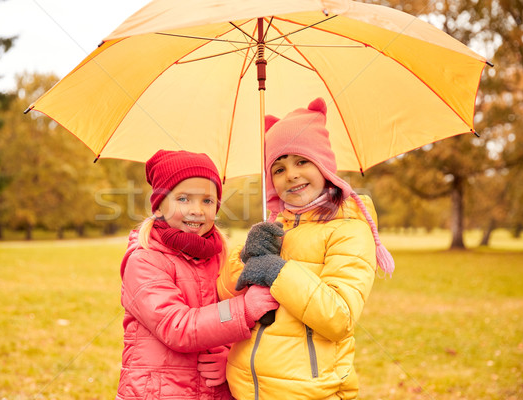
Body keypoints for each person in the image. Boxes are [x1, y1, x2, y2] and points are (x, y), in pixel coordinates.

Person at [217, 98, 395, 400]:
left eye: (302, 161)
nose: (291, 175)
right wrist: (247, 254)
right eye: (279, 168)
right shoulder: (274, 228)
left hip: (309, 391)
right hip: (246, 389)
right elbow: (224, 298)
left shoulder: (349, 229)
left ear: (324, 165)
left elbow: (339, 318)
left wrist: (278, 272)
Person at [117, 149, 279, 400]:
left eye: (207, 200)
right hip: (161, 391)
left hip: (214, 391)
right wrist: (244, 309)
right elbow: (176, 327)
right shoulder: (144, 259)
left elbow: (234, 323)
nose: (197, 210)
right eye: (183, 199)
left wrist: (230, 356)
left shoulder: (221, 256)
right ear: (159, 206)